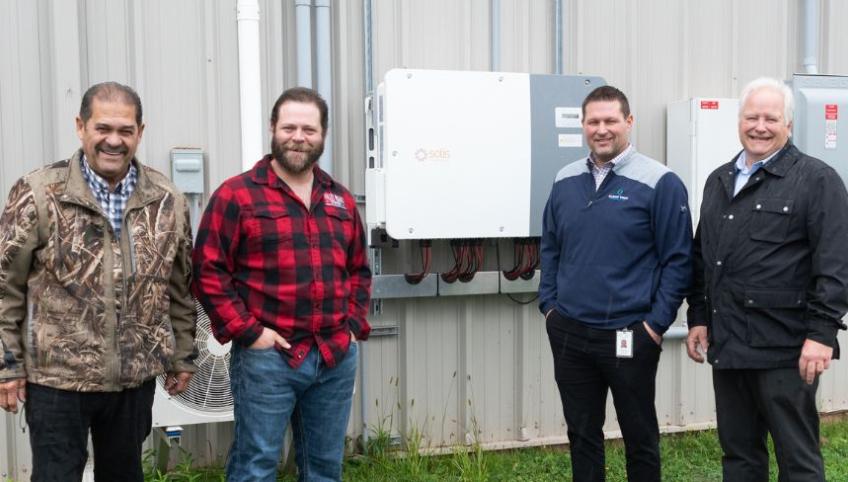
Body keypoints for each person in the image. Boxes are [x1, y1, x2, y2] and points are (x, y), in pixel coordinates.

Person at [0, 81, 197, 481]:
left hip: (133, 380)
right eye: (102, 128)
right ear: (81, 127)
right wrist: (8, 364)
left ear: (140, 132)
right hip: (57, 380)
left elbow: (180, 287)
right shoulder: (39, 193)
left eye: (125, 131)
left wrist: (182, 355)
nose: (114, 141)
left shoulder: (167, 200)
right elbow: (6, 286)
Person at [193, 86, 371, 482]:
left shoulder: (339, 199)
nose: (298, 136)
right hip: (267, 358)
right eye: (289, 126)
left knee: (325, 468)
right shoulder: (237, 196)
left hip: (334, 356)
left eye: (309, 129)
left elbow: (359, 270)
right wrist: (248, 332)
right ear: (273, 129)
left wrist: (354, 327)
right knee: (255, 465)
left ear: (322, 135)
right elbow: (207, 270)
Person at [686, 77, 848, 482]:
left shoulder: (817, 179)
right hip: (729, 344)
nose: (760, 126)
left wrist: (822, 333)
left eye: (771, 118)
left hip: (786, 348)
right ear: (739, 121)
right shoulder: (719, 179)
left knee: (798, 460)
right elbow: (703, 256)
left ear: (789, 125)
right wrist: (699, 317)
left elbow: (836, 263)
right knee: (739, 457)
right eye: (752, 116)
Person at [539, 85, 692, 482]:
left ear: (629, 122)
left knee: (639, 436)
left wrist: (655, 325)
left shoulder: (661, 182)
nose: (601, 129)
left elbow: (678, 259)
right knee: (582, 434)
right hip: (570, 331)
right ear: (583, 126)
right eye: (593, 121)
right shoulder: (564, 180)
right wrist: (550, 307)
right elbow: (551, 246)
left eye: (610, 120)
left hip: (630, 334)